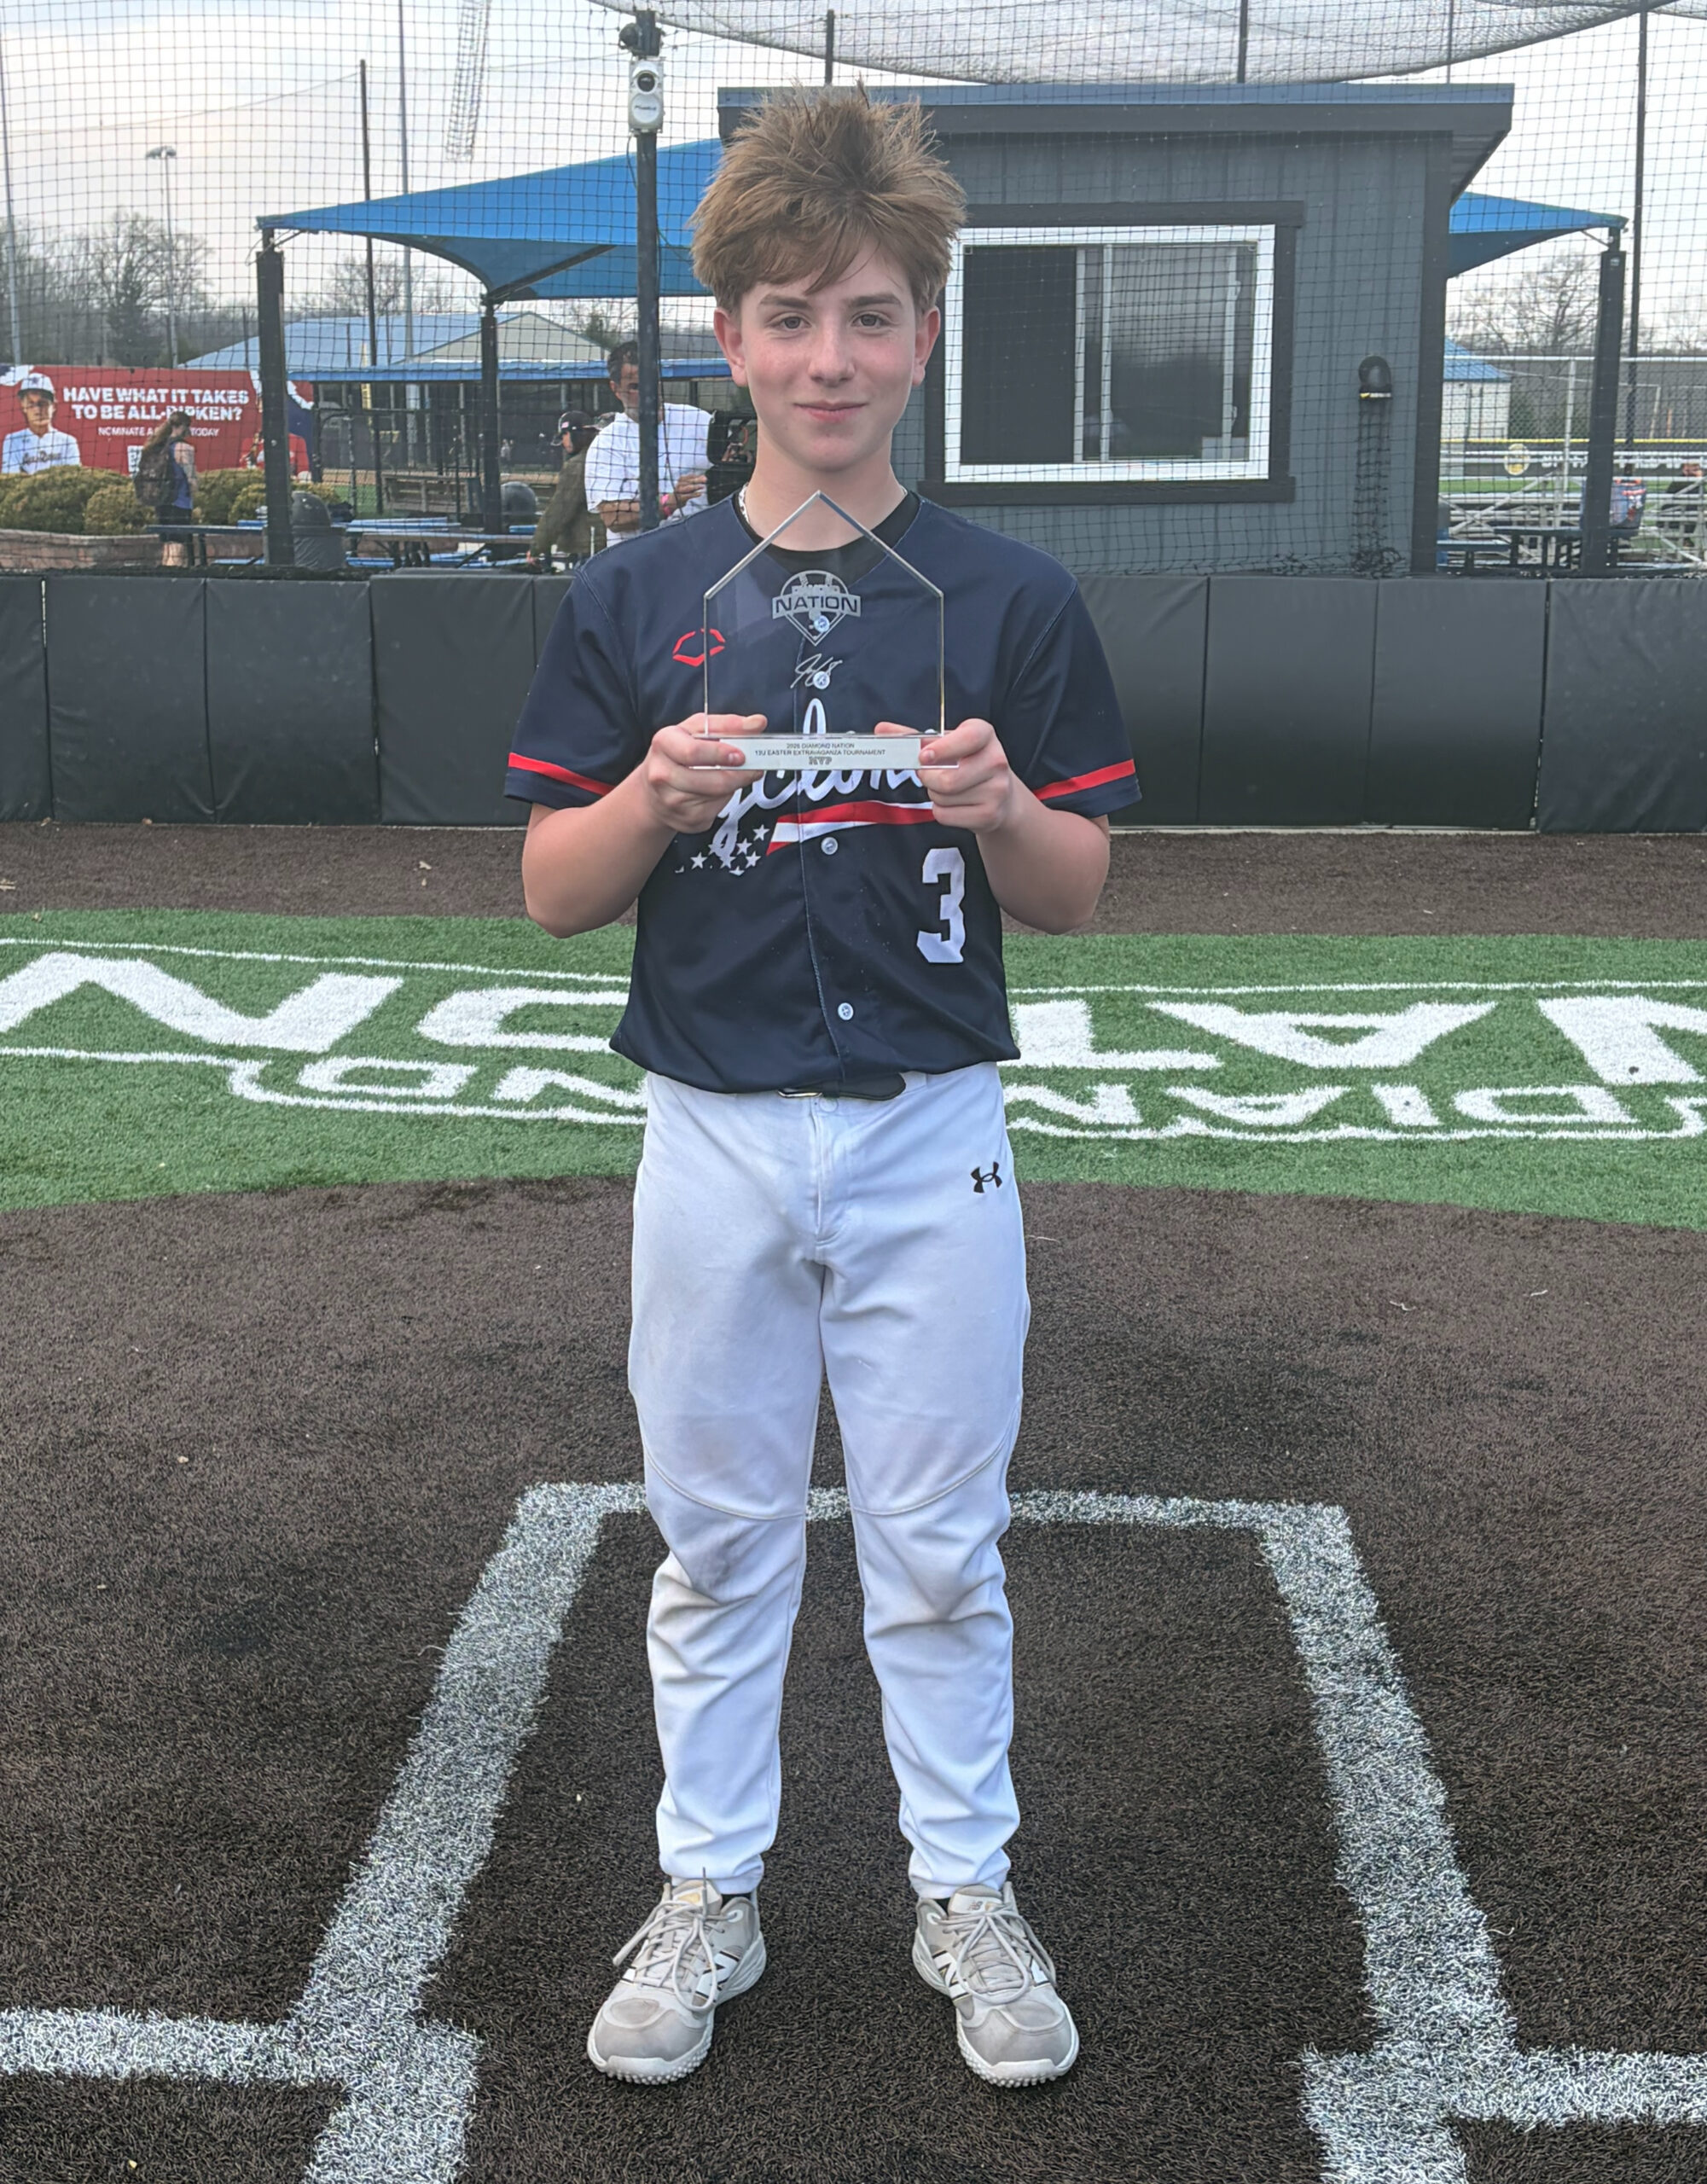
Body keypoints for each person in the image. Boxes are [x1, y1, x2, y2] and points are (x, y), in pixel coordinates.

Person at [510, 89, 1135, 2092]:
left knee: (937, 1544)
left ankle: (963, 1883)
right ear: (730, 337)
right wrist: (645, 795)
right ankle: (711, 1879)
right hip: (708, 1119)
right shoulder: (635, 594)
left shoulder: (1005, 595)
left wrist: (1002, 805)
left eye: (868, 315)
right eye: (788, 317)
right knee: (715, 1543)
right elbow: (551, 890)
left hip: (927, 1123)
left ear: (923, 332)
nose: (828, 357)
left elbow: (1073, 890)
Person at [584, 339, 709, 543]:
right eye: (635, 386)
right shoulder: (607, 443)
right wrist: (669, 503)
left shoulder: (698, 421)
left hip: (700, 550)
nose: (647, 393)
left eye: (651, 382)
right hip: (637, 556)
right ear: (616, 389)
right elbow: (613, 517)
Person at [527, 410, 602, 564]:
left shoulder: (578, 465)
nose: (562, 442)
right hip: (608, 542)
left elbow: (560, 509)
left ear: (575, 433)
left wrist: (537, 547)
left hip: (586, 546)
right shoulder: (605, 456)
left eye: (564, 435)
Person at [136, 411, 197, 566]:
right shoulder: (184, 448)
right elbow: (191, 480)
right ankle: (173, 577)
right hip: (180, 503)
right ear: (184, 426)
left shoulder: (157, 446)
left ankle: (165, 573)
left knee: (168, 545)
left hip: (162, 502)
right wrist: (195, 495)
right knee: (178, 545)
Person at [2, 373, 81, 474]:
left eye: (42, 403)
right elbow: (12, 479)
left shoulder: (68, 442)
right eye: (31, 404)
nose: (37, 410)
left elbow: (72, 479)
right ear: (23, 407)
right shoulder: (13, 441)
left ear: (54, 406)